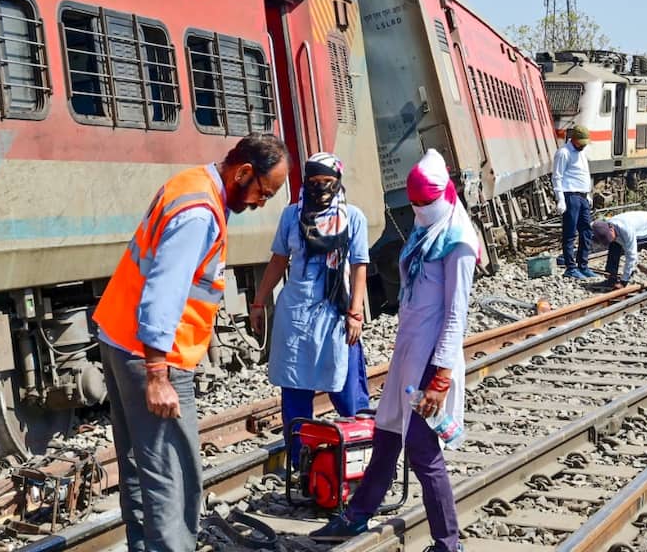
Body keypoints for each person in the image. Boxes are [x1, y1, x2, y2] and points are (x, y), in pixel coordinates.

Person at [92, 134, 289, 552]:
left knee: (140, 467)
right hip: (153, 352)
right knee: (173, 473)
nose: (260, 203)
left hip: (120, 337)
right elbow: (164, 290)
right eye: (263, 193)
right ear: (243, 173)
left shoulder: (192, 182)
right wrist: (158, 373)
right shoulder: (200, 213)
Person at [310, 149, 478, 552]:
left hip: (430, 364)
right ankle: (356, 515)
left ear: (444, 194)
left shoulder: (459, 241)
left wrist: (440, 379)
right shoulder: (426, 230)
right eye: (415, 203)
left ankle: (448, 543)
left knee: (422, 450)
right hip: (408, 355)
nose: (419, 209)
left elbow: (456, 315)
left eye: (426, 202)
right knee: (386, 435)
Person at [250, 152, 371, 459]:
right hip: (296, 312)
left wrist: (356, 312)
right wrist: (259, 301)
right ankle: (299, 459)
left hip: (335, 313)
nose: (320, 189)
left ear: (338, 182)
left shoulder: (353, 218)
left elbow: (359, 266)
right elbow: (279, 260)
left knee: (344, 386)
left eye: (327, 182)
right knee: (293, 386)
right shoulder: (292, 216)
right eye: (314, 183)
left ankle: (360, 453)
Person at [591, 210, 647, 294]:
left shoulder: (626, 229)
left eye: (610, 236)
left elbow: (631, 255)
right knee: (614, 245)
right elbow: (593, 224)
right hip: (644, 232)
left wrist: (624, 281)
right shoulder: (607, 225)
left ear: (611, 228)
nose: (611, 239)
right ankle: (611, 280)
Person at [552, 125, 596, 279]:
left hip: (583, 196)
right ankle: (570, 268)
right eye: (581, 142)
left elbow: (584, 173)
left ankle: (583, 265)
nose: (583, 145)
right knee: (570, 233)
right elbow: (557, 176)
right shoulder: (563, 153)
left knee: (586, 231)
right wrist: (560, 199)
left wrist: (587, 194)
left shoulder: (582, 152)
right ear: (574, 139)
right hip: (570, 195)